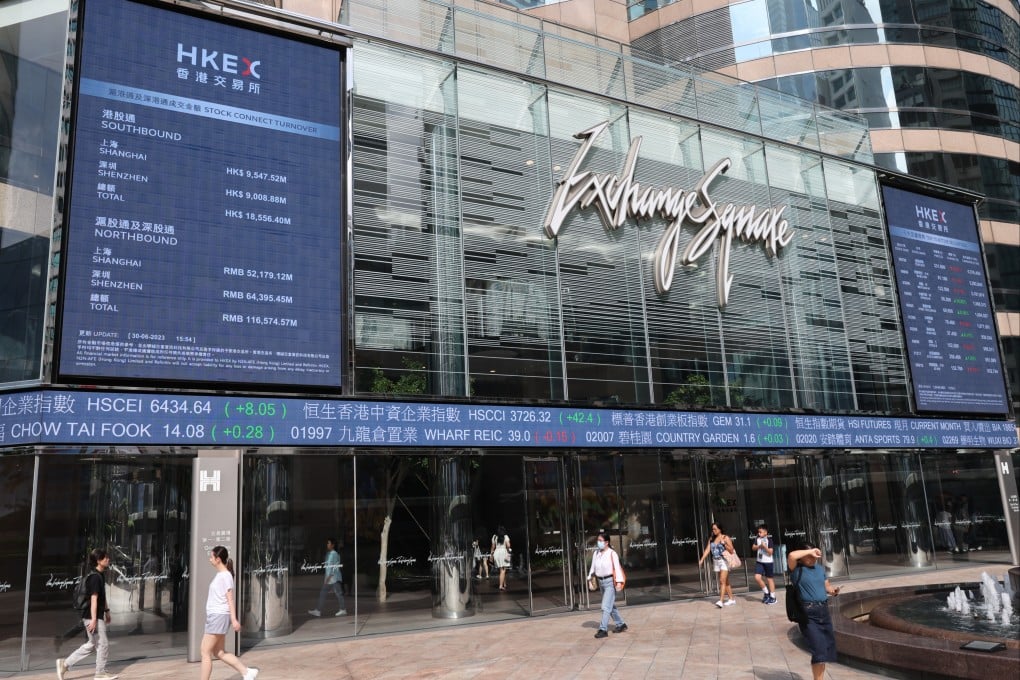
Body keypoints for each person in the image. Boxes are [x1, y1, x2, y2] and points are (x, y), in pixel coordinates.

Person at [57, 549, 118, 680]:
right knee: (103, 644)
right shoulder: (95, 578)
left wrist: (107, 611)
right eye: (105, 558)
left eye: (108, 557)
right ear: (98, 561)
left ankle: (64, 664)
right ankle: (100, 673)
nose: (108, 560)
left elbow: (102, 597)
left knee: (92, 644)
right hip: (92, 616)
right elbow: (94, 599)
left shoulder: (100, 575)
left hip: (95, 615)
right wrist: (94, 619)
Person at [201, 546, 259, 680]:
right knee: (219, 652)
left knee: (205, 652)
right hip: (217, 617)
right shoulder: (222, 575)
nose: (210, 559)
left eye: (211, 557)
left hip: (218, 617)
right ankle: (246, 672)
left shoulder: (225, 576)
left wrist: (234, 619)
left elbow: (230, 598)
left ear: (218, 559)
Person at [787, 543, 839, 680]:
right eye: (808, 555)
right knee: (819, 649)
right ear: (802, 556)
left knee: (825, 649)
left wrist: (833, 591)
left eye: (814, 555)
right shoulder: (796, 570)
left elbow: (826, 585)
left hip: (823, 611)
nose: (812, 557)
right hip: (808, 613)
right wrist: (810, 551)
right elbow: (792, 555)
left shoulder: (819, 569)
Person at [587, 528, 627, 639]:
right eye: (598, 540)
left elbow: (617, 568)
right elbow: (593, 567)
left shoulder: (612, 553)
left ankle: (603, 629)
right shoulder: (596, 553)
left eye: (600, 540)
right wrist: (590, 578)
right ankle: (621, 624)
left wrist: (619, 582)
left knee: (605, 606)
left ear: (606, 542)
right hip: (601, 582)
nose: (598, 542)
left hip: (610, 582)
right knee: (610, 606)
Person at [698, 522, 736, 607]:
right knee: (725, 581)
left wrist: (724, 544)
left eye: (715, 529)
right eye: (713, 529)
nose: (714, 530)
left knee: (722, 581)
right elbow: (708, 549)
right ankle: (731, 599)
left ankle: (721, 601)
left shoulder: (725, 538)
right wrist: (702, 559)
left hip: (724, 561)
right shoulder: (711, 538)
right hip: (716, 561)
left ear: (720, 529)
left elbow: (731, 550)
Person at [309, 537, 346, 617]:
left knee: (338, 594)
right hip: (330, 578)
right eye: (327, 543)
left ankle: (342, 609)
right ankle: (318, 610)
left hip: (333, 578)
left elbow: (333, 567)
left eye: (329, 543)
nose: (327, 544)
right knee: (325, 593)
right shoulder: (329, 554)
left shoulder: (334, 554)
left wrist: (328, 578)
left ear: (333, 545)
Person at [752, 524, 777, 605]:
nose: (759, 533)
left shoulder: (769, 540)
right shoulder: (757, 539)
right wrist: (759, 546)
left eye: (760, 532)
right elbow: (753, 548)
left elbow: (770, 553)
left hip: (768, 562)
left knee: (769, 579)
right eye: (758, 532)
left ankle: (773, 597)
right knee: (757, 577)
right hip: (759, 562)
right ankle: (766, 593)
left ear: (766, 532)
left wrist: (765, 547)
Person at [491, 527, 511, 591]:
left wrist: (491, 555)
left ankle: (504, 584)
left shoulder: (494, 537)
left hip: (496, 553)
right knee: (503, 570)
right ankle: (500, 586)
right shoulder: (506, 536)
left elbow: (493, 547)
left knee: (501, 570)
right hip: (503, 553)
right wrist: (508, 549)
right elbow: (508, 546)